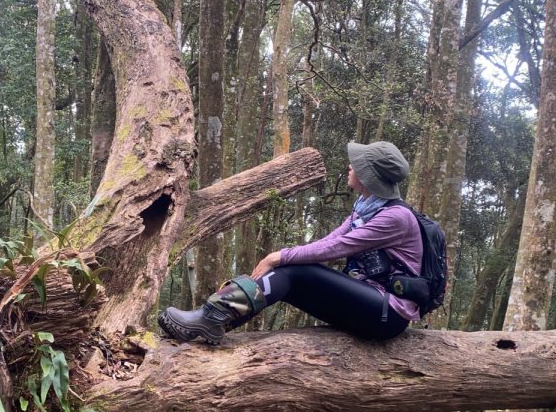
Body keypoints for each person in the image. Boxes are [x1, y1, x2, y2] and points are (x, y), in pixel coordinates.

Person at [158, 141, 423, 345]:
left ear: (369, 175)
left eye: (356, 164)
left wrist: (280, 255)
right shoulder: (365, 207)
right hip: (367, 299)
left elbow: (338, 249)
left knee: (295, 270)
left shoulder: (396, 217)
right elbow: (332, 239)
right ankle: (215, 322)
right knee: (287, 274)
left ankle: (212, 314)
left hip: (388, 314)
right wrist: (283, 259)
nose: (350, 167)